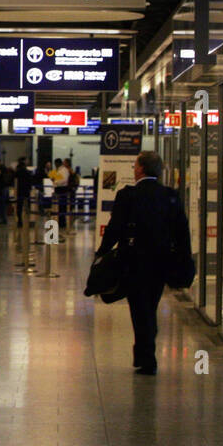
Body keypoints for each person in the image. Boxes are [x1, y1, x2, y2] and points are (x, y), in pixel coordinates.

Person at [95, 151, 192, 375]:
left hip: (134, 261)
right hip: (161, 262)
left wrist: (102, 251)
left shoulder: (128, 195)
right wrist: (183, 259)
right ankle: (145, 354)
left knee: (140, 308)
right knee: (150, 304)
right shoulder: (170, 196)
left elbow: (115, 228)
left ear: (140, 169)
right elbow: (182, 232)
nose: (133, 168)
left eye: (135, 165)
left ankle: (147, 358)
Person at [14, 157, 34, 225]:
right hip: (26, 191)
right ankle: (29, 220)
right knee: (28, 206)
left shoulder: (17, 172)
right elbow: (30, 181)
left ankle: (20, 220)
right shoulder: (27, 172)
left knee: (19, 206)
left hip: (19, 190)